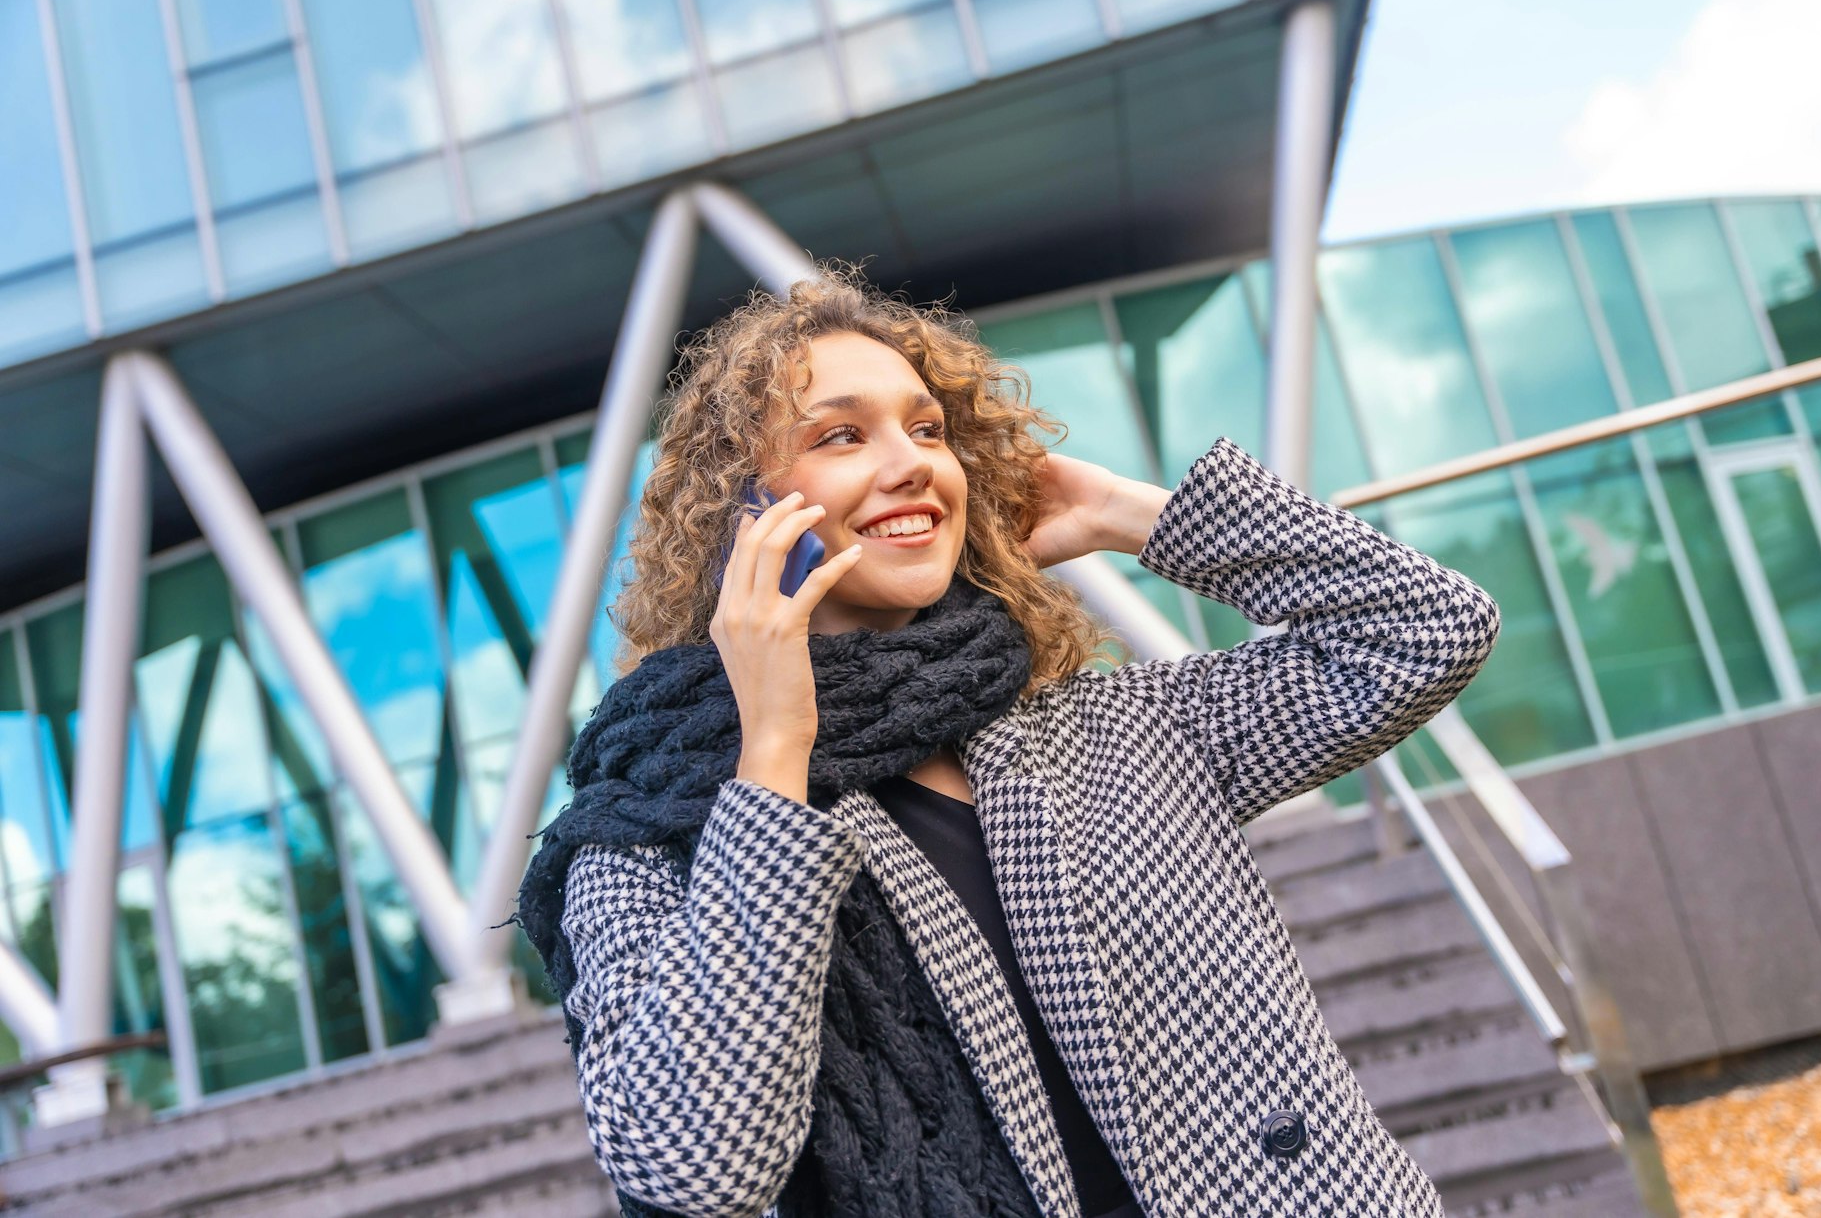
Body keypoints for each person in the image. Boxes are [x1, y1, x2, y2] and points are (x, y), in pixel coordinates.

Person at [514, 267, 1501, 1218]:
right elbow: (692, 1167)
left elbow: (1422, 630)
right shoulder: (648, 831)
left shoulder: (1108, 731)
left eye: (928, 428)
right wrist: (772, 748)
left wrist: (1131, 515)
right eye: (843, 434)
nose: (909, 461)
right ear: (747, 515)